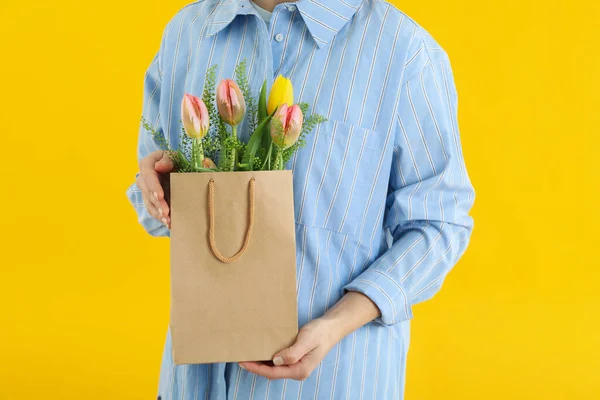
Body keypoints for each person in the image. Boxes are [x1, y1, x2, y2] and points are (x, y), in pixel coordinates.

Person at [125, 0, 476, 398]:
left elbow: (440, 223)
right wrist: (160, 193)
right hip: (190, 385)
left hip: (333, 382)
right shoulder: (188, 32)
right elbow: (157, 211)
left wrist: (338, 323)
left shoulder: (402, 51)